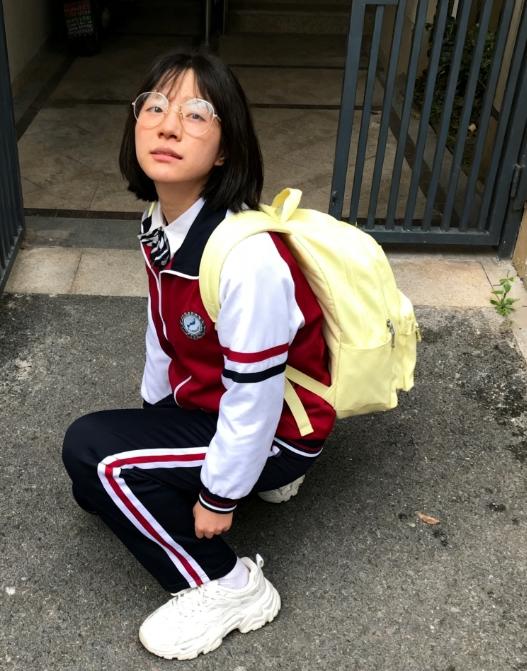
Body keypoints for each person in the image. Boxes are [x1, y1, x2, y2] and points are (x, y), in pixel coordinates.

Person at [62, 49, 336, 661]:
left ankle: (229, 585)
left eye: (195, 114)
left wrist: (217, 496)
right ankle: (215, 480)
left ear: (225, 150)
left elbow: (256, 394)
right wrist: (150, 417)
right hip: (215, 407)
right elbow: (163, 327)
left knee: (94, 455)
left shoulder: (246, 257)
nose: (167, 126)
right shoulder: (162, 220)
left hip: (279, 432)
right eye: (155, 107)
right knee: (97, 481)